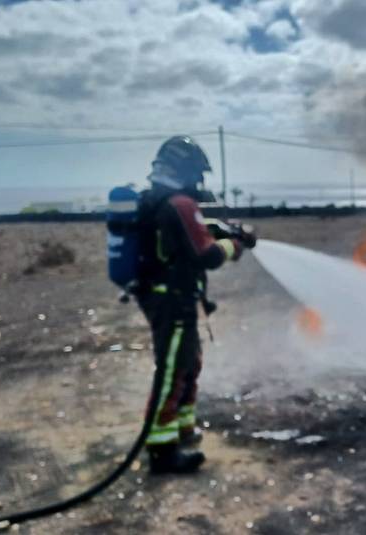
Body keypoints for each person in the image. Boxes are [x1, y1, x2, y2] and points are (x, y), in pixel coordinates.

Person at [135, 135, 244, 474]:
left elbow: (191, 233)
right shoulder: (180, 204)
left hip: (170, 297)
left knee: (188, 363)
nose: (199, 181)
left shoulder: (161, 201)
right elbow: (207, 254)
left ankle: (182, 428)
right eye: (197, 173)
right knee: (171, 371)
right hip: (173, 301)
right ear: (186, 171)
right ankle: (162, 451)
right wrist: (234, 245)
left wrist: (223, 230)